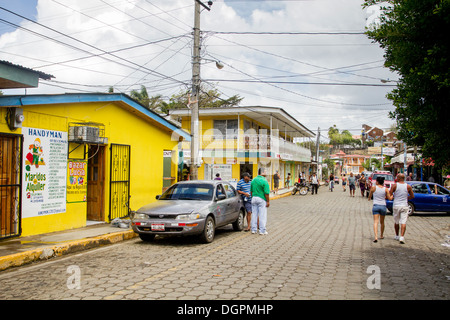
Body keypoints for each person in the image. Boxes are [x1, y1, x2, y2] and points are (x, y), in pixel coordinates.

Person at [389, 173, 415, 244]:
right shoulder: (408, 186)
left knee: (396, 221)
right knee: (403, 222)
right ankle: (402, 237)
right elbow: (412, 196)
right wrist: (406, 198)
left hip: (396, 205)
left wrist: (393, 197)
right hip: (404, 205)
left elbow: (390, 194)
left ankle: (397, 235)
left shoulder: (395, 185)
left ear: (399, 178)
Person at [368, 176, 393, 243]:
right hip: (383, 206)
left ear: (378, 182)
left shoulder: (374, 188)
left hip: (376, 206)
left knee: (376, 222)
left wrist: (369, 198)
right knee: (382, 222)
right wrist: (393, 195)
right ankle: (381, 235)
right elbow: (390, 198)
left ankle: (376, 237)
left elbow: (370, 195)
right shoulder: (386, 189)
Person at [250, 168, 271, 235]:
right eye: (265, 171)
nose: (266, 172)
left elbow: (251, 191)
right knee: (262, 215)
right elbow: (266, 193)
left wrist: (252, 197)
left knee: (254, 214)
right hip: (261, 199)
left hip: (254, 198)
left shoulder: (253, 180)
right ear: (262, 172)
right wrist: (268, 201)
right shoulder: (264, 181)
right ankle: (262, 230)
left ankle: (254, 229)